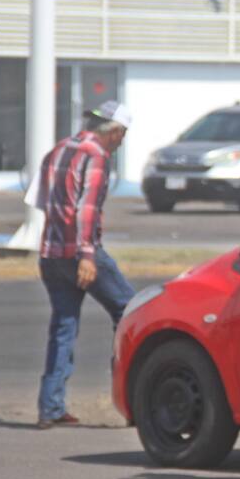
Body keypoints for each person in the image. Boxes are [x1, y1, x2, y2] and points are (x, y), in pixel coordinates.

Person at [32, 101, 136, 430]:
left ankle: (50, 407)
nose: (121, 143)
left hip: (51, 252)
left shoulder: (58, 149)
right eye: (122, 136)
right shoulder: (96, 156)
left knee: (63, 326)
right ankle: (135, 400)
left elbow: (39, 200)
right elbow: (86, 209)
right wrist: (88, 255)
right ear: (115, 131)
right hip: (80, 252)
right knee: (132, 312)